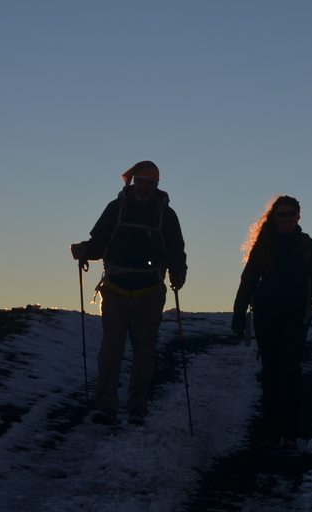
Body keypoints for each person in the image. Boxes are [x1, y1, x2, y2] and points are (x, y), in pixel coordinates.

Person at [70, 160, 187, 426]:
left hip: (146, 292)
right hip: (117, 291)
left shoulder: (166, 215)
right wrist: (85, 250)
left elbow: (176, 252)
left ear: (157, 185)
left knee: (142, 351)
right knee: (114, 349)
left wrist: (178, 273)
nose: (144, 186)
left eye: (150, 182)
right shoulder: (117, 208)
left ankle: (136, 406)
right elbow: (99, 244)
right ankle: (108, 405)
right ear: (133, 181)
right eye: (141, 181)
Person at [231, 195, 312, 450]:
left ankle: (290, 435)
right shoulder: (263, 244)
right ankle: (269, 434)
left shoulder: (309, 245)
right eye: (281, 214)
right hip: (266, 317)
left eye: (291, 214)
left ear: (299, 215)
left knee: (290, 374)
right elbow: (249, 279)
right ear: (273, 217)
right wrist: (238, 313)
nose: (286, 218)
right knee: (271, 375)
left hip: (297, 319)